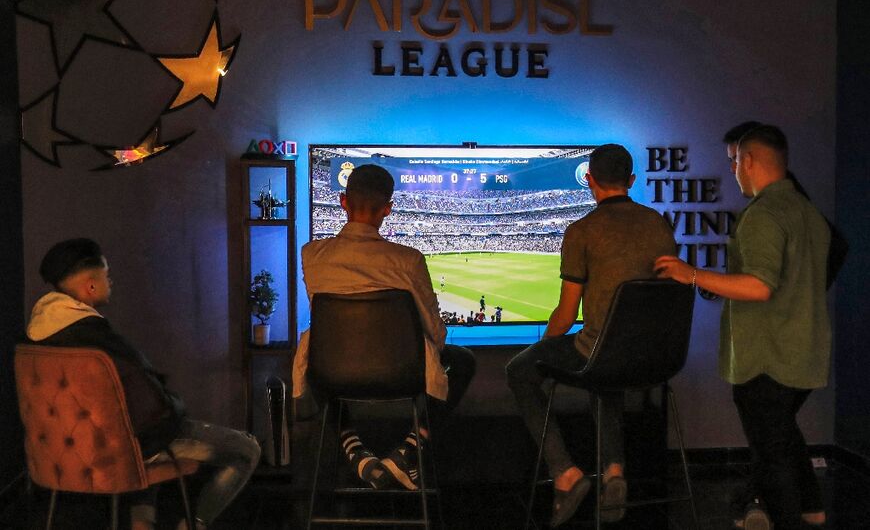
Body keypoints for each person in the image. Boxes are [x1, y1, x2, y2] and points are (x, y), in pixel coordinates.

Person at [656, 125, 831, 530]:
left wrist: (691, 274)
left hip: (766, 357)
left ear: (748, 160)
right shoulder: (808, 213)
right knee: (783, 437)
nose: (733, 170)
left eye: (734, 161)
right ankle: (813, 507)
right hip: (804, 352)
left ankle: (792, 517)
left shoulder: (763, 214)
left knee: (772, 456)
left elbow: (759, 286)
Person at [27, 239, 260, 530]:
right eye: (107, 275)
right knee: (245, 450)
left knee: (141, 435)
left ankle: (142, 523)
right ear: (91, 286)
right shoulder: (100, 342)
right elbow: (154, 408)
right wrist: (176, 405)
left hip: (60, 459)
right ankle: (194, 524)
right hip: (120, 454)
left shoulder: (36, 337)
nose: (111, 281)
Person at [505, 144, 676, 526]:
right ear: (632, 180)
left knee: (521, 369)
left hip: (603, 353)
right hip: (659, 355)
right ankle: (614, 472)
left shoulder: (582, 230)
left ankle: (565, 473)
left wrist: (541, 348)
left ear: (589, 181)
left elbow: (566, 316)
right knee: (606, 364)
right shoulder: (659, 224)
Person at [293, 164, 476, 491]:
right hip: (401, 373)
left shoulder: (312, 254)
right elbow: (436, 331)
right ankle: (407, 452)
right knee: (463, 361)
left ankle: (355, 451)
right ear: (388, 208)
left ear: (342, 201)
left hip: (333, 370)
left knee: (315, 360)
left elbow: (328, 320)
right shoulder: (408, 260)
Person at [723, 121, 848, 291]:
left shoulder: (780, 199)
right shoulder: (780, 194)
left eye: (736, 159)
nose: (733, 169)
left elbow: (836, 247)